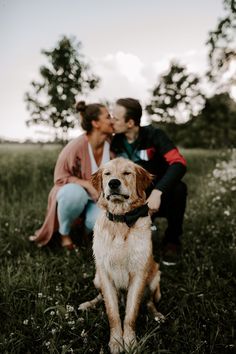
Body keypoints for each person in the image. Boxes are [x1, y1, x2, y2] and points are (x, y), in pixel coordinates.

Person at [111, 98, 187, 264]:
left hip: (156, 197)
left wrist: (158, 192)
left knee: (179, 188)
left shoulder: (155, 135)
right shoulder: (114, 142)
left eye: (115, 118)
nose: (111, 121)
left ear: (130, 123)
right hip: (128, 198)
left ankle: (172, 241)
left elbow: (179, 163)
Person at [29, 101, 114, 250]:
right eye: (108, 117)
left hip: (100, 198)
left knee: (99, 221)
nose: (112, 120)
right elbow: (60, 178)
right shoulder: (75, 147)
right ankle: (65, 234)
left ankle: (86, 233)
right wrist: (87, 184)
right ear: (96, 123)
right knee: (73, 194)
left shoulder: (112, 145)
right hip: (77, 194)